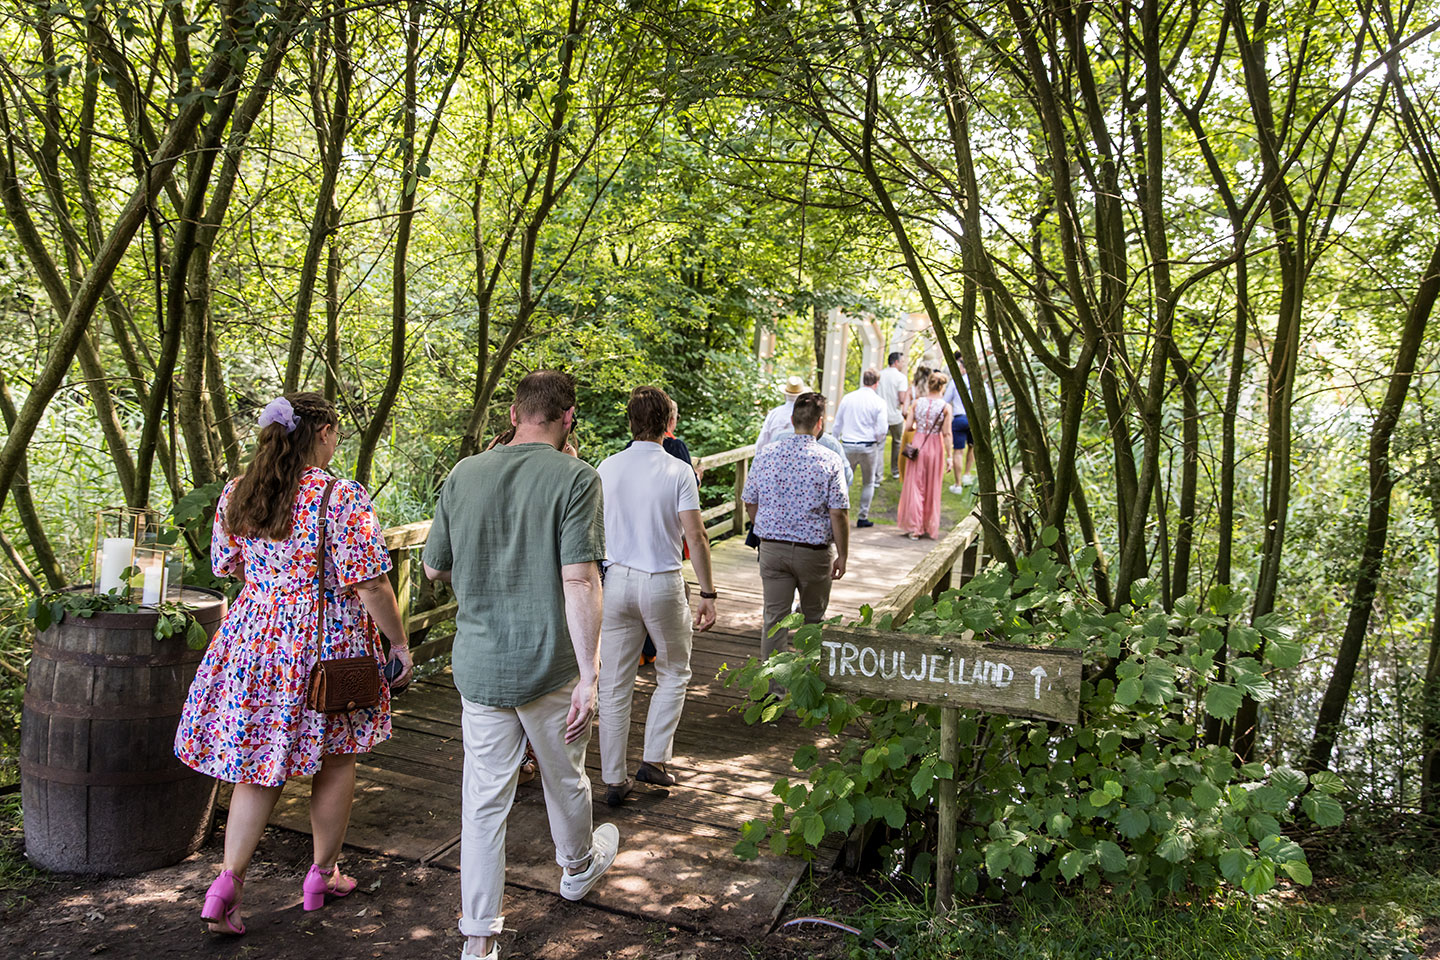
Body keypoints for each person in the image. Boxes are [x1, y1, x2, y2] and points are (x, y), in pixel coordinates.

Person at [175, 392, 412, 936]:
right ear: (323, 433)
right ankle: (322, 875)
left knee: (259, 765)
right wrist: (398, 646)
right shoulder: (339, 497)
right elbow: (371, 583)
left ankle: (226, 884)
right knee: (336, 759)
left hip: (255, 642)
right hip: (327, 646)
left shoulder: (240, 492)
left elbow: (228, 564)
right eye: (336, 436)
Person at [422, 370, 618, 960]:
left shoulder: (464, 474)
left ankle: (478, 939)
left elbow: (435, 569)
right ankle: (578, 866)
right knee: (564, 777)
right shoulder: (577, 478)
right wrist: (591, 675)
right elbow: (580, 579)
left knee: (483, 800)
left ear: (512, 414)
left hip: (480, 665)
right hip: (549, 664)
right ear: (569, 418)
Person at [596, 387, 719, 806]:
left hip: (615, 582)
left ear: (629, 421)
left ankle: (614, 777)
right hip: (662, 581)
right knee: (673, 671)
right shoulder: (678, 471)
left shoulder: (605, 468)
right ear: (669, 423)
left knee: (613, 684)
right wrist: (707, 592)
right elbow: (696, 536)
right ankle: (654, 758)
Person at [743, 392, 850, 658]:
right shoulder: (829, 460)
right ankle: (807, 688)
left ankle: (771, 692)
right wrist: (843, 555)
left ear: (792, 420)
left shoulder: (766, 455)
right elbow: (838, 514)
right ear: (820, 423)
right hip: (813, 553)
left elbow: (749, 502)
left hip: (772, 550)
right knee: (813, 620)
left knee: (774, 620)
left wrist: (766, 530)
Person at [896, 372, 954, 540]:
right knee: (931, 486)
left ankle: (915, 527)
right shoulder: (945, 407)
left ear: (928, 384)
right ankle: (927, 525)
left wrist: (919, 426)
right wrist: (949, 457)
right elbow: (947, 433)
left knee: (915, 484)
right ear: (942, 387)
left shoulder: (916, 403)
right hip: (935, 446)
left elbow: (907, 427)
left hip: (918, 444)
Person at [831, 368, 889, 528]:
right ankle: (863, 516)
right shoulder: (879, 402)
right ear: (877, 383)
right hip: (868, 446)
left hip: (848, 445)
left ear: (863, 380)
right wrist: (877, 439)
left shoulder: (848, 398)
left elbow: (837, 424)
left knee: (843, 482)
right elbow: (883, 429)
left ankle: (841, 513)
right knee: (868, 482)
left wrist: (835, 441)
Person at [941, 362, 981, 494]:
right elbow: (990, 401)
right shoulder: (979, 382)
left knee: (958, 451)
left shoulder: (955, 382)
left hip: (959, 418)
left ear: (963, 369)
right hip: (974, 419)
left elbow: (945, 400)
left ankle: (957, 485)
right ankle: (967, 475)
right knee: (972, 446)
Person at [877, 352, 911, 479]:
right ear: (896, 362)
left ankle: (878, 475)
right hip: (895, 416)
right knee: (897, 443)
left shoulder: (880, 374)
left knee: (879, 445)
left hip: (880, 415)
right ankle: (895, 470)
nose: (903, 364)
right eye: (902, 361)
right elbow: (902, 399)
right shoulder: (901, 378)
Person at [755, 375, 811, 450]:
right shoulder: (808, 414)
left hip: (773, 458)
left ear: (785, 394)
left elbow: (761, 443)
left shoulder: (774, 413)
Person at [898, 365, 932, 484]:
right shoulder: (930, 391)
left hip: (912, 431)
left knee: (909, 457)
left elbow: (904, 410)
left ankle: (909, 480)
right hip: (927, 432)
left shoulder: (911, 390)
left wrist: (909, 419)